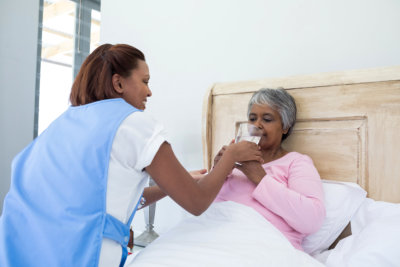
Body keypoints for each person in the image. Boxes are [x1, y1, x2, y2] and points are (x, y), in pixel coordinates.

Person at [0, 44, 263, 267]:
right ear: (118, 83)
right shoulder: (135, 124)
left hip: (21, 250)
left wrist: (171, 186)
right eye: (145, 81)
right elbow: (196, 203)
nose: (150, 92)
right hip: (80, 254)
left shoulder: (62, 124)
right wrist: (231, 156)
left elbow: (102, 201)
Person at [213, 88, 326, 251]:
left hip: (264, 247)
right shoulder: (234, 161)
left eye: (267, 119)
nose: (256, 125)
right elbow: (203, 207)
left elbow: (312, 220)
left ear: (285, 126)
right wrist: (219, 172)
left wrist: (260, 177)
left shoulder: (296, 162)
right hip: (217, 238)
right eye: (252, 119)